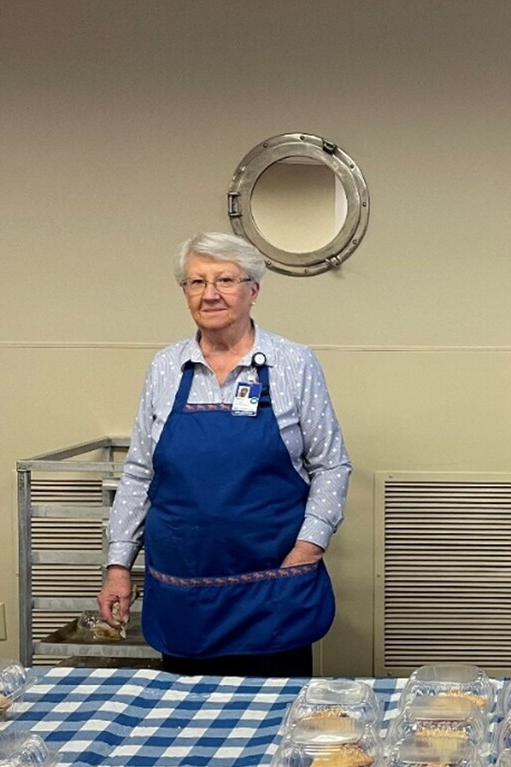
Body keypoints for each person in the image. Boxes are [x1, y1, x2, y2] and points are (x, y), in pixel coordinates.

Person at [97, 231, 351, 677]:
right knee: (185, 715)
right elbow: (139, 474)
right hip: (184, 595)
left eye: (225, 280)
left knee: (276, 712)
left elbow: (331, 464)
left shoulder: (294, 363)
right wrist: (118, 565)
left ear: (254, 290)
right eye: (196, 282)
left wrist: (308, 548)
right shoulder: (165, 367)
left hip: (273, 589)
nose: (210, 294)